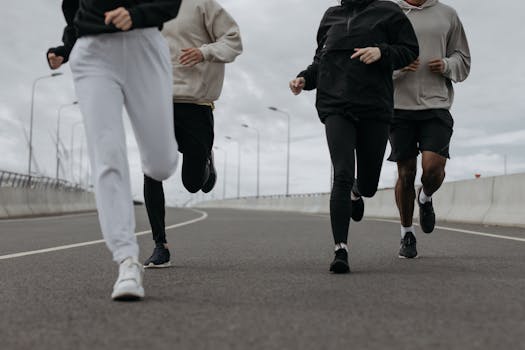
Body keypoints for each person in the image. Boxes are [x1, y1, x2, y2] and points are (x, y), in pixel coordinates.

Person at [47, 0, 182, 300]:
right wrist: (66, 48)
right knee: (106, 154)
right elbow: (74, 9)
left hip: (144, 46)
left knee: (160, 165)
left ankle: (173, 156)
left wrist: (136, 15)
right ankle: (127, 260)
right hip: (93, 53)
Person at [289, 0, 419, 273]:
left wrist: (381, 52)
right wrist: (304, 78)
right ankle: (341, 250)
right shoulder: (330, 16)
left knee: (368, 184)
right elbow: (321, 60)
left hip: (374, 107)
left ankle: (357, 193)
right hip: (336, 106)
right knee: (342, 173)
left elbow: (410, 50)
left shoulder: (388, 11)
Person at [143, 0, 243, 268]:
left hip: (196, 104)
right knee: (152, 170)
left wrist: (204, 52)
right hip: (157, 102)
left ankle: (206, 160)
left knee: (192, 183)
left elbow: (234, 40)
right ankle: (159, 245)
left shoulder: (201, 4)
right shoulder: (144, 8)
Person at [389, 0, 471, 259]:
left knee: (433, 169)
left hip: (436, 106)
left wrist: (447, 65)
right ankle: (406, 234)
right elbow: (376, 58)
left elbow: (463, 58)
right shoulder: (390, 13)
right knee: (405, 173)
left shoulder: (448, 14)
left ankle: (425, 197)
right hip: (398, 107)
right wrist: (399, 68)